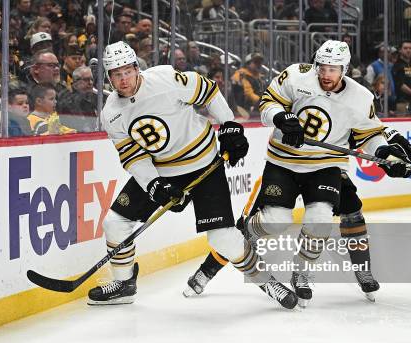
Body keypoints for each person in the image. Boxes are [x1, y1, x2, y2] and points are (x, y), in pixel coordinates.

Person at [89, 41, 297, 309]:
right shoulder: (111, 113)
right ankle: (124, 284)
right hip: (163, 170)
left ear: (136, 68)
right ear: (109, 77)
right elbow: (134, 157)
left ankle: (267, 281)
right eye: (116, 74)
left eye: (127, 71)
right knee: (114, 223)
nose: (123, 79)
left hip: (204, 165)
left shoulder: (165, 79)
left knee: (222, 238)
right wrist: (155, 186)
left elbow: (208, 91)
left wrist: (230, 124)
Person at [239, 40, 409, 307]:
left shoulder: (361, 97)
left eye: (333, 69)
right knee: (276, 221)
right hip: (283, 162)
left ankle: (302, 271)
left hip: (325, 165)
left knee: (320, 220)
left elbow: (371, 135)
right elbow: (268, 102)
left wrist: (386, 155)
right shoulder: (297, 76)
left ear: (345, 69)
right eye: (323, 67)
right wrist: (281, 118)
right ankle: (248, 229)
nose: (326, 74)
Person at [57, 66, 99, 132]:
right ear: (76, 82)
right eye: (86, 80)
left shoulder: (94, 96)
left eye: (92, 79)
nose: (90, 83)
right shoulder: (66, 98)